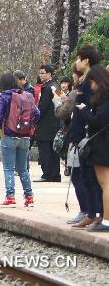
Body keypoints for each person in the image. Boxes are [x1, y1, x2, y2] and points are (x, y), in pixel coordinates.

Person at [67, 45, 104, 228]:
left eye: (78, 58)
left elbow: (93, 109)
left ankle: (94, 213)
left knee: (90, 178)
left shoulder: (92, 79)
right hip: (80, 134)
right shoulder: (86, 80)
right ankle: (91, 212)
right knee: (85, 176)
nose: (76, 62)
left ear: (86, 60)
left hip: (87, 136)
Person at [0, 71, 40, 208]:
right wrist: (29, 126)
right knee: (23, 169)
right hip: (25, 136)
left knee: (8, 168)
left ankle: (10, 196)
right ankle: (29, 196)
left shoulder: (5, 96)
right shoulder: (27, 95)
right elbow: (37, 113)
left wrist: (2, 125)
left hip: (9, 136)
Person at [74, 63, 109, 232]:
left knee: (106, 183)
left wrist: (84, 111)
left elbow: (97, 121)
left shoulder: (105, 98)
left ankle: (107, 221)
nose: (91, 86)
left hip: (103, 145)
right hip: (103, 144)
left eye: (92, 82)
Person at [33, 64, 61, 182]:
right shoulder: (57, 86)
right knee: (53, 151)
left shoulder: (47, 87)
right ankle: (55, 174)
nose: (41, 75)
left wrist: (35, 117)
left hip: (46, 124)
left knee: (45, 150)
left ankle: (47, 174)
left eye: (43, 73)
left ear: (49, 73)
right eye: (40, 73)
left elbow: (42, 107)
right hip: (55, 122)